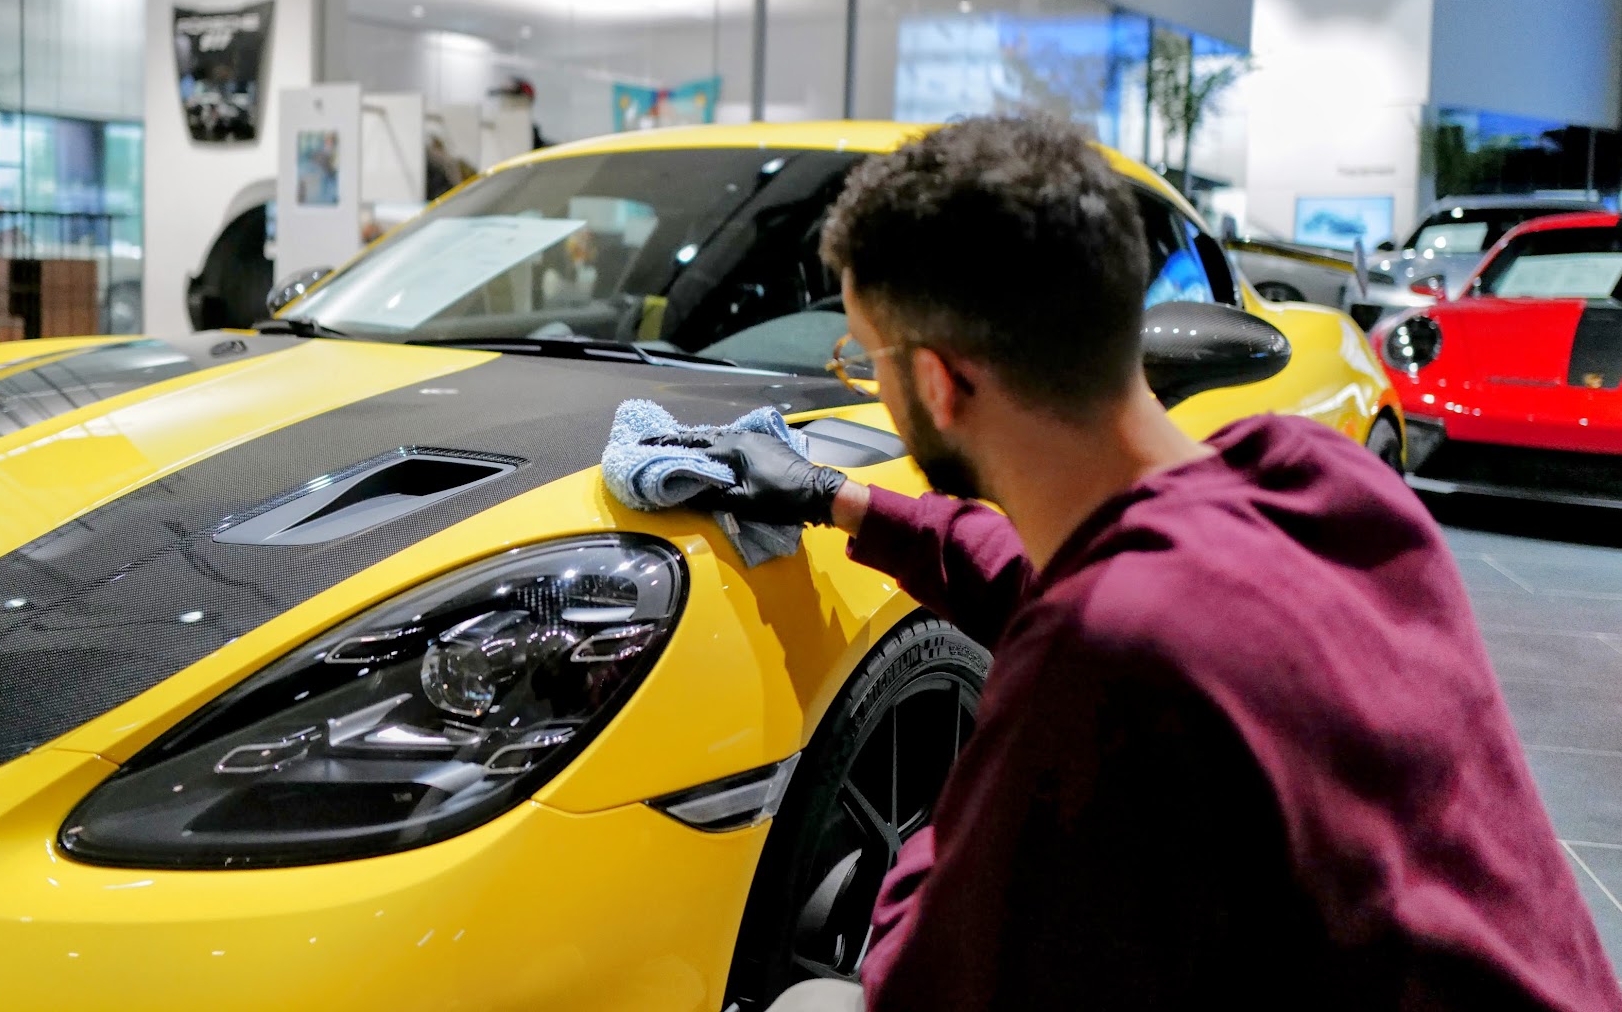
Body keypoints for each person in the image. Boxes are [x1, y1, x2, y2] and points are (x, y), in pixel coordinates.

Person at [690, 117, 1621, 1012]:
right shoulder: (1324, 481)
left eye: (869, 355)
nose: (871, 379)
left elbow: (928, 984)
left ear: (937, 380)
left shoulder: (1108, 653)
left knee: (816, 999)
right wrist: (834, 497)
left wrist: (957, 821)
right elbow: (1109, 584)